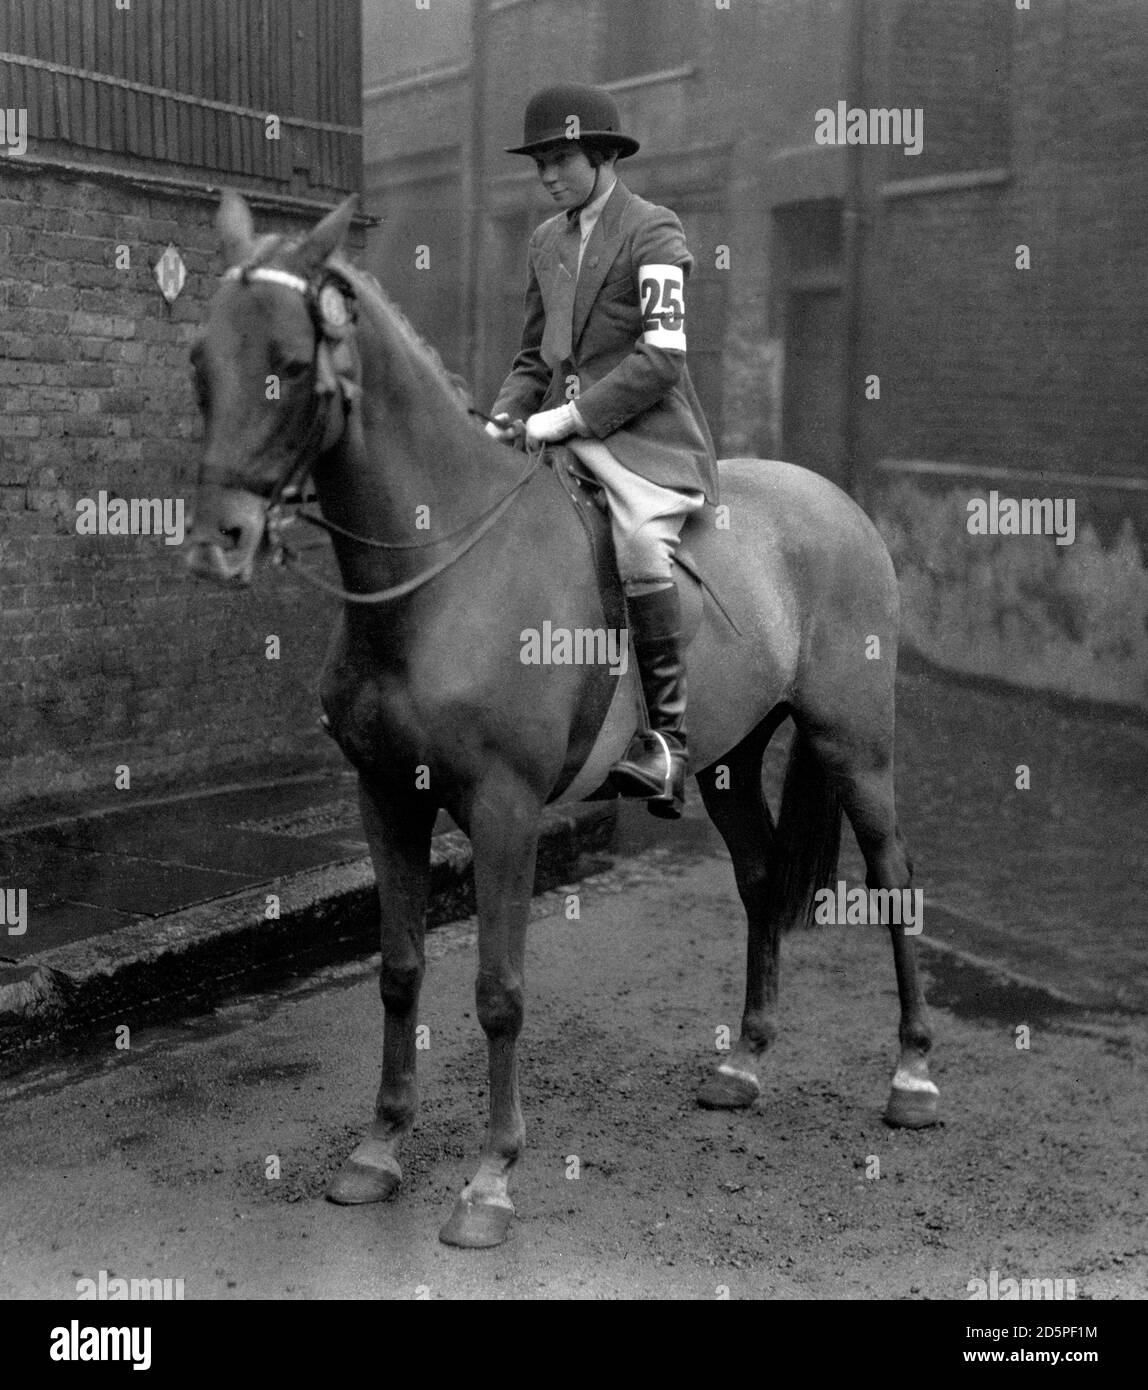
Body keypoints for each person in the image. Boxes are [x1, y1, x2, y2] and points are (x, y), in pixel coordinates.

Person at [486, 83, 718, 819]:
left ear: (603, 154)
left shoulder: (655, 230)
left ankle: (668, 745)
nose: (548, 175)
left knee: (641, 546)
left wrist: (572, 417)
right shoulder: (545, 241)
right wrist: (506, 414)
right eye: (541, 163)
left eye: (561, 159)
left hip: (645, 438)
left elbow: (662, 360)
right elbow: (533, 356)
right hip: (562, 436)